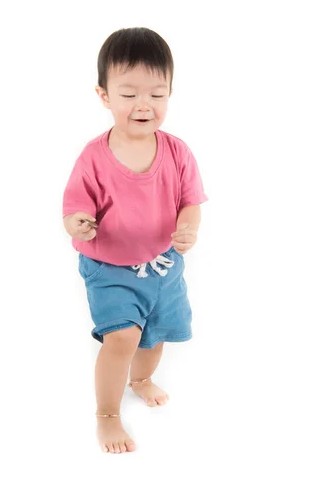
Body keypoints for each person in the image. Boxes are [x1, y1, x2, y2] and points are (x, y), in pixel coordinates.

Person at [62, 27, 208, 453]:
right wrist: (79, 223)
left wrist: (190, 227)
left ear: (169, 94)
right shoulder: (94, 156)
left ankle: (141, 379)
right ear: (104, 95)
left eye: (156, 94)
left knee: (156, 333)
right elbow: (74, 208)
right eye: (128, 94)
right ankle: (107, 414)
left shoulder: (178, 151)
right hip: (109, 267)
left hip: (162, 265)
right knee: (122, 336)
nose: (144, 105)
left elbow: (191, 202)